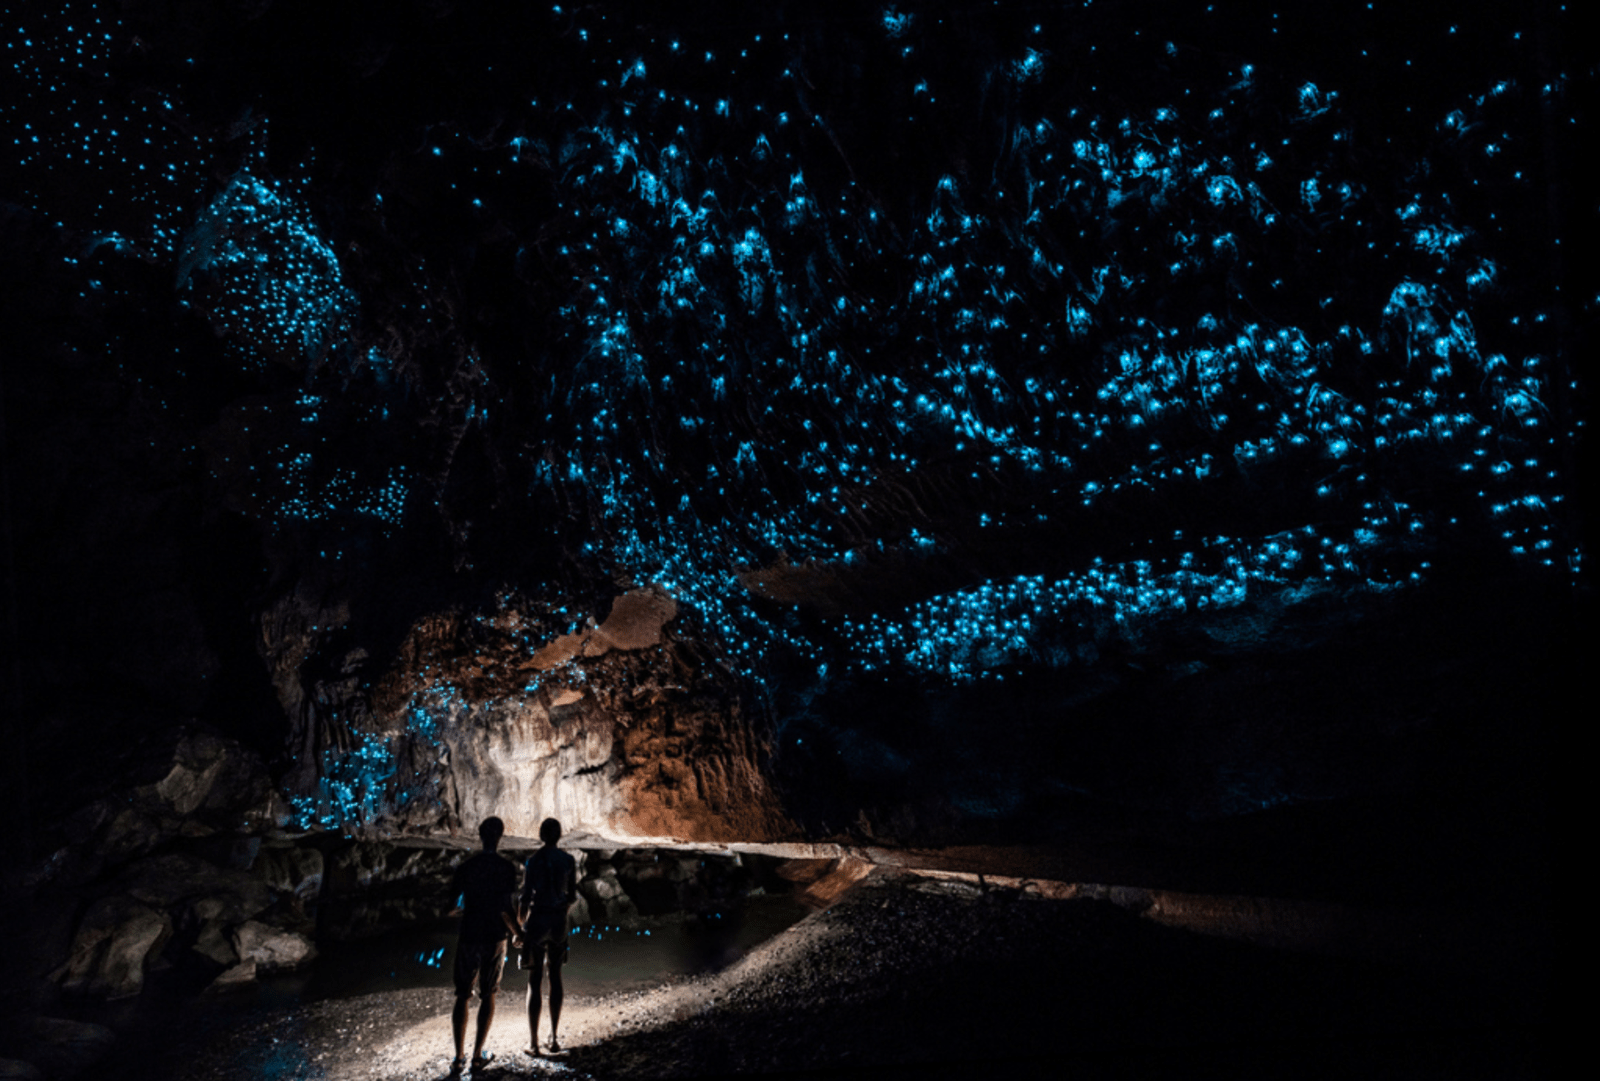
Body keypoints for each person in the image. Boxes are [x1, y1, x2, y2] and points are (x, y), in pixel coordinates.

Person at [446, 816, 520, 1074]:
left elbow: (451, 906)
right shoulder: (505, 868)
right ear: (500, 837)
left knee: (462, 995)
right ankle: (478, 1056)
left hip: (469, 934)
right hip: (494, 936)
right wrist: (517, 933)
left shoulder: (467, 868)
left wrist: (464, 909)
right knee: (489, 993)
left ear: (480, 835)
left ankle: (458, 1058)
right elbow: (505, 907)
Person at [517, 817, 579, 1056]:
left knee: (534, 981)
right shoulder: (568, 860)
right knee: (556, 976)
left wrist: (521, 927)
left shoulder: (533, 861)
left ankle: (533, 1043)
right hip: (558, 921)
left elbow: (525, 897)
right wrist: (561, 912)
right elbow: (572, 896)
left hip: (538, 919)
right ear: (559, 835)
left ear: (541, 836)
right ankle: (553, 1038)